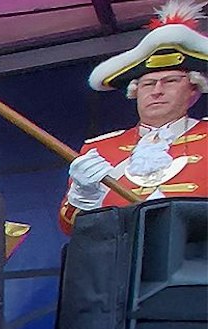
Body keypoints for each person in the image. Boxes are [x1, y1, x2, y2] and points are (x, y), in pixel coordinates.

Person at [62, 3, 207, 232]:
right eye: (147, 84)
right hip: (122, 263)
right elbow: (71, 229)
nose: (157, 90)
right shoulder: (99, 148)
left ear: (194, 88)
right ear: (134, 92)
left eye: (170, 81)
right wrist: (83, 198)